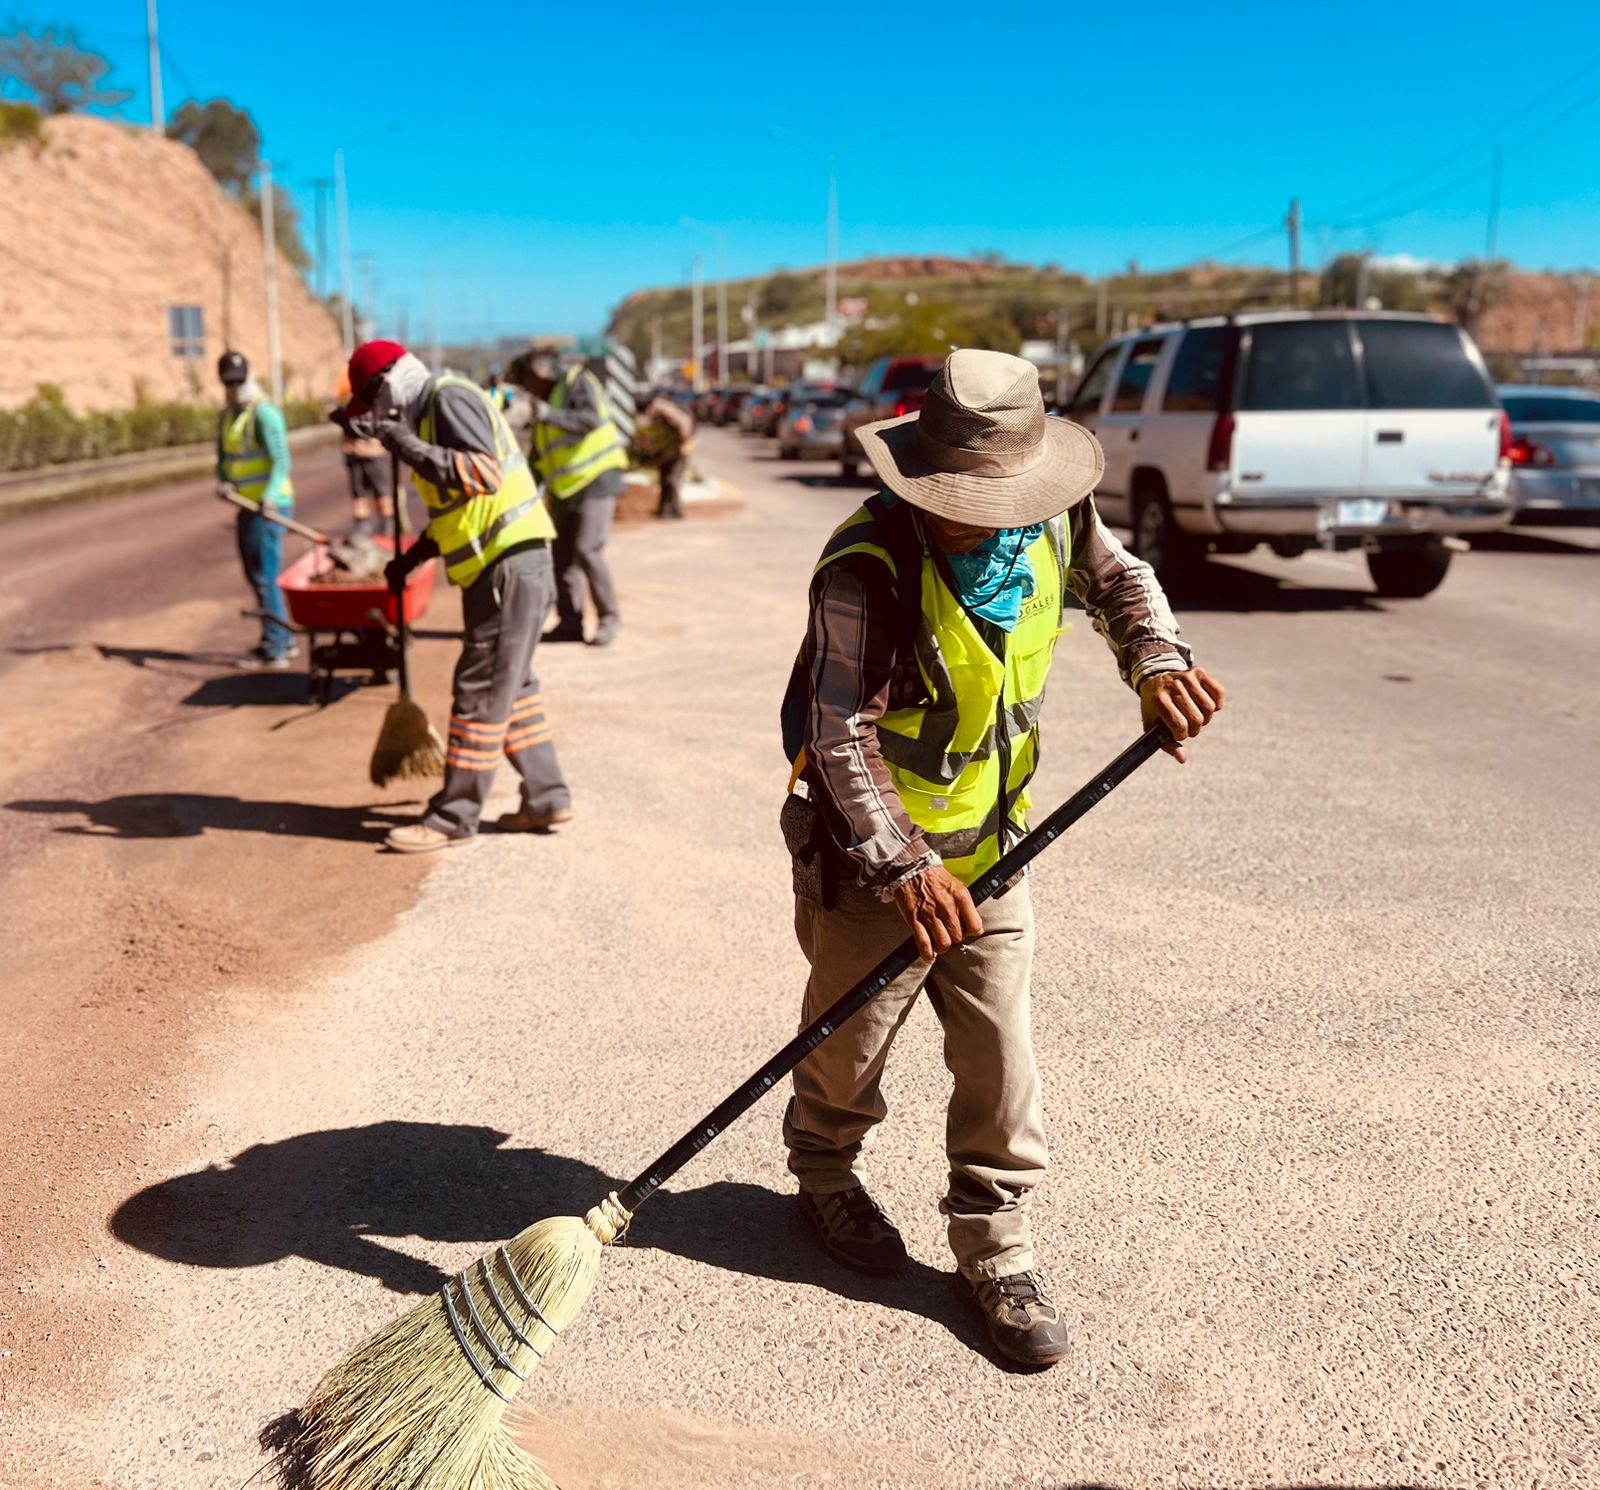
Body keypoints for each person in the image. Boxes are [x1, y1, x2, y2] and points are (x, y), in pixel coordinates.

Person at [778, 349, 1224, 1367]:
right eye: (950, 496)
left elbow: (1124, 583)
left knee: (1001, 1063)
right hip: (873, 865)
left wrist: (1157, 662)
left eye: (989, 495)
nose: (970, 514)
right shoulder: (865, 564)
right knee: (846, 1053)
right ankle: (827, 1175)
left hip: (995, 846)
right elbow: (838, 732)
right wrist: (902, 865)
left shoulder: (1055, 520)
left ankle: (997, 1247)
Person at [335, 339, 574, 854]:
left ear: (392, 382)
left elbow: (481, 476)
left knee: (480, 690)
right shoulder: (425, 418)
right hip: (505, 567)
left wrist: (399, 440)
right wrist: (413, 557)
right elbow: (454, 510)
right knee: (514, 688)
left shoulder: (446, 400)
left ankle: (454, 815)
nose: (376, 417)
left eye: (374, 403)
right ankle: (548, 796)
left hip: (506, 566)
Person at [508, 348, 628, 646]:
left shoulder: (577, 382)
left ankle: (610, 618)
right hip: (565, 490)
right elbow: (539, 456)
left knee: (588, 550)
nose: (528, 390)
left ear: (539, 372)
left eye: (527, 382)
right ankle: (570, 623)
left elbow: (591, 420)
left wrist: (549, 414)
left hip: (596, 479)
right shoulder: (544, 406)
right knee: (562, 558)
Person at [216, 350, 298, 671]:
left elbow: (282, 461)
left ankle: (276, 646)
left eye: (239, 382)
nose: (235, 388)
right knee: (255, 575)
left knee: (266, 575)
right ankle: (280, 638)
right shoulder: (227, 416)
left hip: (270, 508)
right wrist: (224, 482)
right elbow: (224, 459)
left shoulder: (264, 414)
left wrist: (270, 495)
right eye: (229, 383)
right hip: (245, 507)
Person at [334, 366, 394, 539]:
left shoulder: (376, 400)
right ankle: (363, 524)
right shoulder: (350, 399)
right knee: (359, 492)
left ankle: (387, 523)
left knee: (380, 490)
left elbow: (366, 426)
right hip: (354, 453)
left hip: (373, 454)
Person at [636, 391, 695, 518]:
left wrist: (684, 442)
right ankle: (663, 509)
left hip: (678, 449)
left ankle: (677, 511)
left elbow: (684, 422)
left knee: (672, 480)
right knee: (664, 479)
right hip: (666, 451)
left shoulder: (663, 409)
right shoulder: (655, 411)